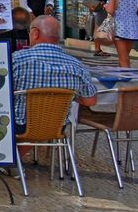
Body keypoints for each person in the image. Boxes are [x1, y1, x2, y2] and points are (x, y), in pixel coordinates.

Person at [11, 16, 97, 154]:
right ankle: (16, 159)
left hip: (20, 126)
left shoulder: (17, 59)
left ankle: (8, 160)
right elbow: (90, 100)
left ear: (35, 33)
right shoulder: (77, 65)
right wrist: (68, 95)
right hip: (56, 126)